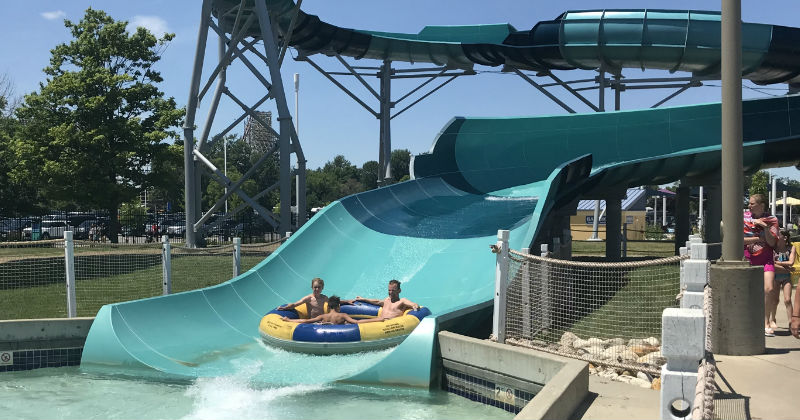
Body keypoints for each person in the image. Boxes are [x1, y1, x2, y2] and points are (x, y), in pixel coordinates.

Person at [743, 194, 781, 336]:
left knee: (769, 289)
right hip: (748, 258)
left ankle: (766, 322)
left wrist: (765, 227)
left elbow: (772, 243)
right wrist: (759, 238)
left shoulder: (772, 220)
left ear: (762, 205)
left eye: (752, 203)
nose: (749, 205)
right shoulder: (744, 217)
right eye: (749, 203)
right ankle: (750, 321)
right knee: (750, 292)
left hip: (766, 259)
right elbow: (740, 240)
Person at [281, 296, 383, 325]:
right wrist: (378, 319)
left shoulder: (322, 317)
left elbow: (306, 321)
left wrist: (289, 320)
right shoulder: (343, 315)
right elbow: (357, 322)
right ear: (339, 306)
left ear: (328, 307)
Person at [355, 279, 420, 320]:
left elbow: (412, 304)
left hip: (389, 326)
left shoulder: (402, 301)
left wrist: (415, 305)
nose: (390, 292)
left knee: (358, 322)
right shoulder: (387, 300)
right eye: (389, 290)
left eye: (393, 290)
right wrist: (363, 299)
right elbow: (377, 301)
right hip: (380, 323)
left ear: (399, 291)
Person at [771, 231, 795, 330]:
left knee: (787, 300)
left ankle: (791, 322)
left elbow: (791, 262)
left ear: (784, 238)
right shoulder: (773, 249)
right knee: (775, 300)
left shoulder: (791, 248)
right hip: (775, 277)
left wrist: (777, 263)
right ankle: (773, 319)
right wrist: (787, 268)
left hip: (786, 277)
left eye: (778, 234)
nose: (776, 236)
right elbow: (772, 264)